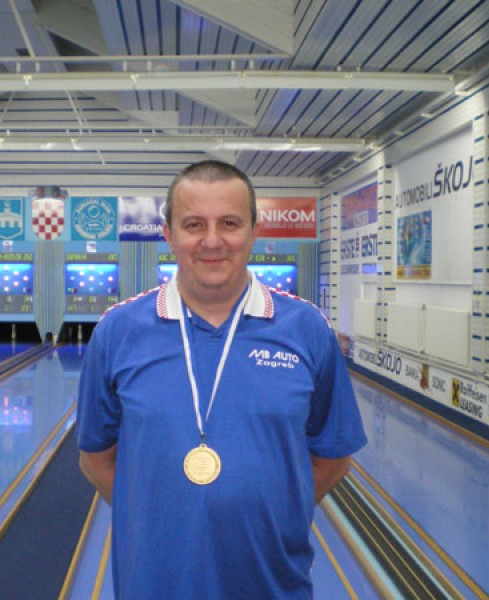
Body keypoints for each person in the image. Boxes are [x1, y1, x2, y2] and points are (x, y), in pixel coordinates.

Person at [77, 160, 367, 599]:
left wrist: (277, 511)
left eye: (229, 223)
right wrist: (157, 514)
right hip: (154, 585)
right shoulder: (118, 331)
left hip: (272, 585)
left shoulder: (307, 329)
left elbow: (333, 457)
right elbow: (96, 460)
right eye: (194, 224)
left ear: (254, 231)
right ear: (169, 234)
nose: (212, 241)